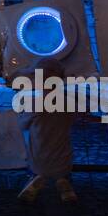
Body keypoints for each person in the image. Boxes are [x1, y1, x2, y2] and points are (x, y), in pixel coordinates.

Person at [17, 58, 79, 204]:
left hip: (39, 160)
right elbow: (72, 119)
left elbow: (23, 125)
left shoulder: (34, 102)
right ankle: (63, 181)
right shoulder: (69, 101)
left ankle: (36, 178)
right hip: (64, 161)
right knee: (62, 155)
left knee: (33, 153)